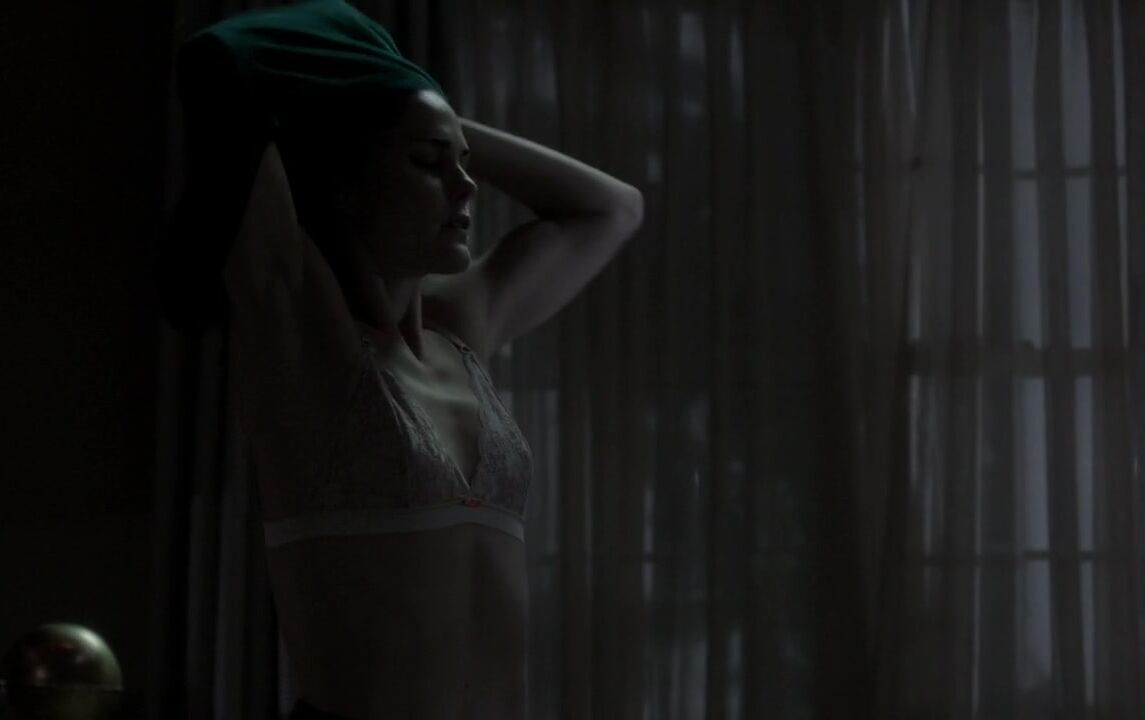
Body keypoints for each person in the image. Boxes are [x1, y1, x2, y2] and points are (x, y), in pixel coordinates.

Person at [162, 1, 643, 718]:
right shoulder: (302, 328)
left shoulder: (463, 326)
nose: (466, 185)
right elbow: (218, 63)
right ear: (346, 182)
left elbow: (613, 207)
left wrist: (432, 117)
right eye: (426, 163)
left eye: (464, 164)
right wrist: (377, 98)